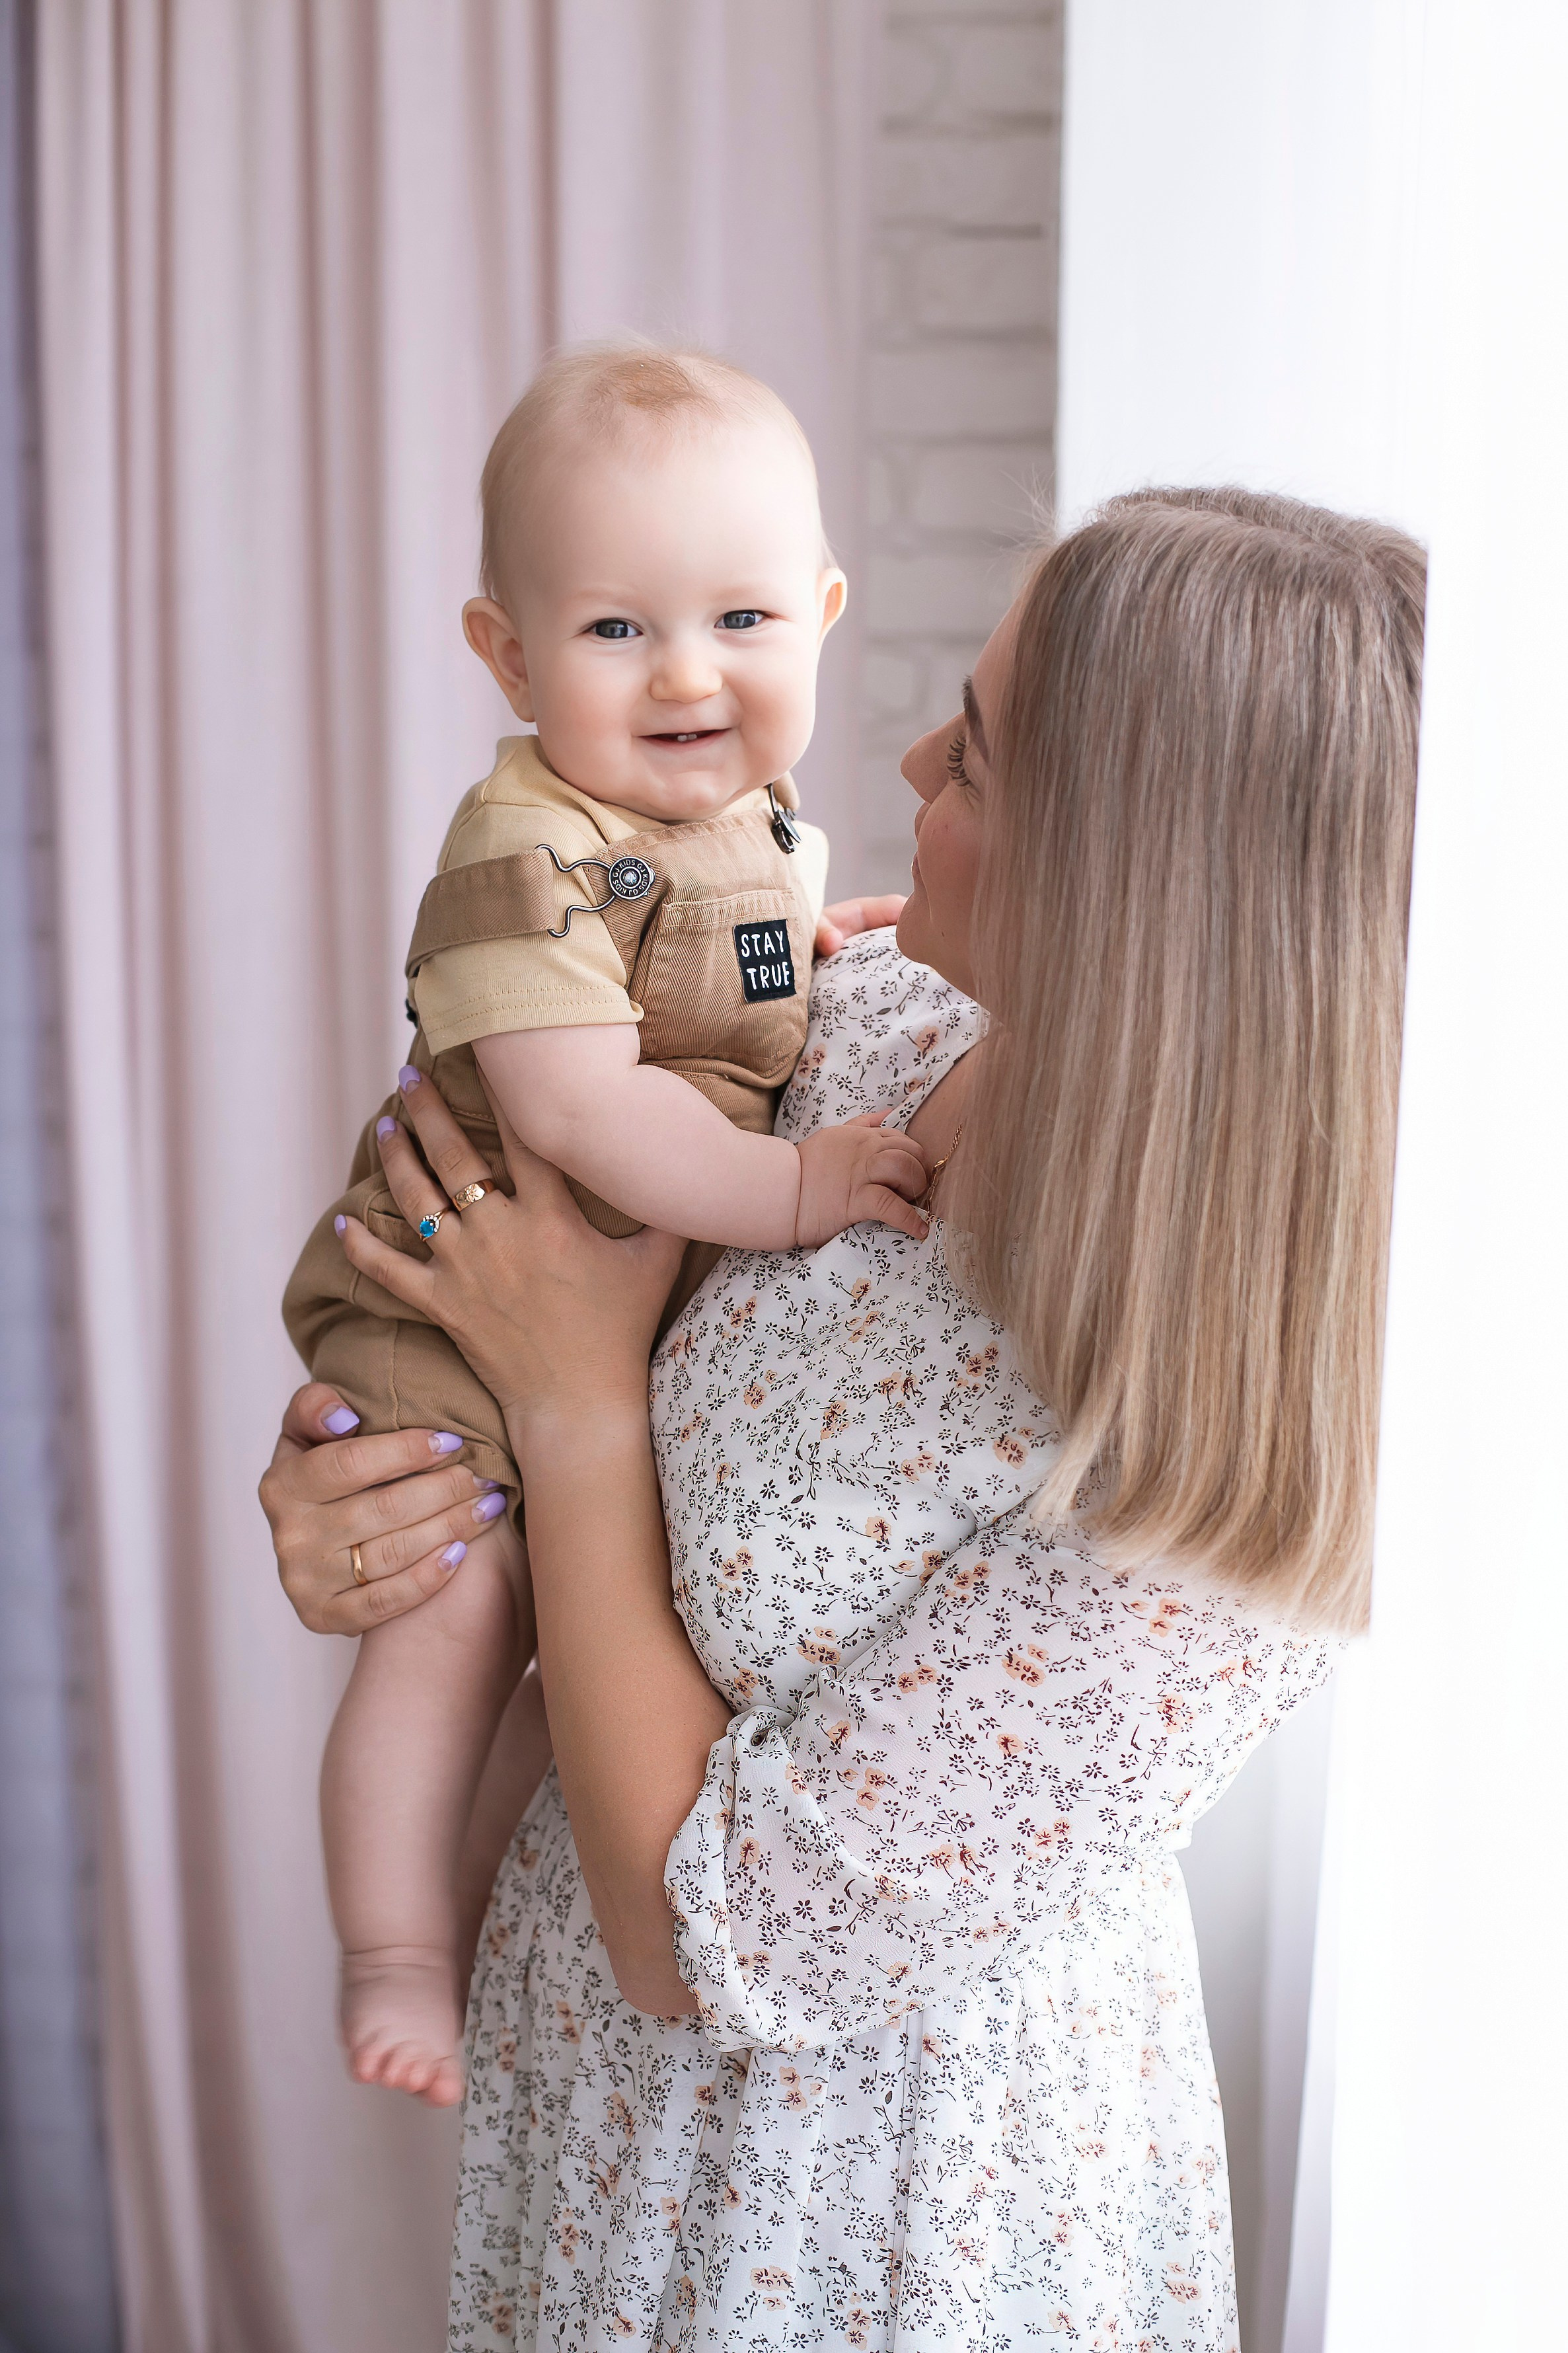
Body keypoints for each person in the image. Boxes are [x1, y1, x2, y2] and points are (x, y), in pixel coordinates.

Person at [262, 487, 1425, 2349]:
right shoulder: (867, 1026)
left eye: (974, 753)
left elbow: (700, 1934)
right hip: (601, 2136)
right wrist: (374, 1473)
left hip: (880, 2230)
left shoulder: (1205, 1488)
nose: (899, 760)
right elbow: (485, 1278)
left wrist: (566, 1411)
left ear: (1136, 888)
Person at [281, 344, 931, 2108]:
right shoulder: (530, 842)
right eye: (615, 632)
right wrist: (800, 1186)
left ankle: (480, 1918)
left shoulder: (764, 831)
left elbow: (743, 998)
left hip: (596, 1314)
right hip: (456, 1292)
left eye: (739, 619)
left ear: (821, 611)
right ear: (505, 651)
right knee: (453, 1610)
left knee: (552, 1661)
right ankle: (394, 1944)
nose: (688, 676)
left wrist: (837, 959)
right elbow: (578, 1103)